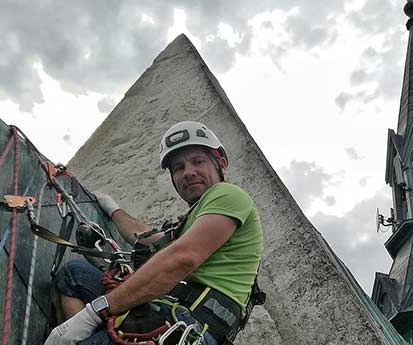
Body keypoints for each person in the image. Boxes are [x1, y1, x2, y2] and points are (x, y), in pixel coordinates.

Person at [45, 121, 264, 345]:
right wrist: (112, 208)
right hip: (166, 311)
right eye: (178, 168)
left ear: (221, 164)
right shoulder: (192, 222)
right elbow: (144, 235)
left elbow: (181, 259)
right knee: (74, 275)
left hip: (189, 328)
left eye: (198, 161)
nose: (188, 172)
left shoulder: (228, 194)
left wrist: (93, 313)